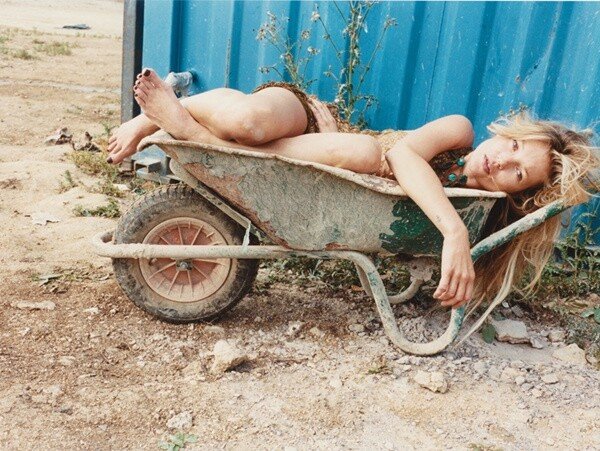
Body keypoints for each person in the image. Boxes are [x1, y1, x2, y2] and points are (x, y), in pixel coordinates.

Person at [108, 68, 599, 315]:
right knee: (250, 123)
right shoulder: (459, 131)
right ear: (507, 131)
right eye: (514, 145)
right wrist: (454, 233)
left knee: (347, 153)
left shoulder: (479, 206)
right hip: (306, 118)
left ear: (518, 196)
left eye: (518, 173)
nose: (503, 160)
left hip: (313, 159)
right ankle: (165, 118)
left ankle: (189, 133)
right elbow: (403, 156)